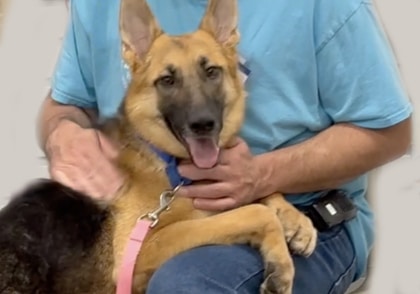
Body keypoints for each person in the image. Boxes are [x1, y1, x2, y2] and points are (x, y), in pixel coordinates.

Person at [36, 0, 412, 293]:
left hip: (302, 217)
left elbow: (390, 131)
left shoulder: (321, 5)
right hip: (139, 216)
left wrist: (264, 176)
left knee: (186, 285)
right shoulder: (99, 5)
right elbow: (66, 104)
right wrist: (60, 134)